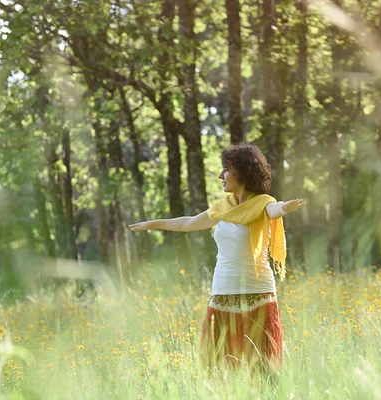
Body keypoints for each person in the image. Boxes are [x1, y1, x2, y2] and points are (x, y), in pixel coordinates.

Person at [128, 143, 306, 371]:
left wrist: (283, 208)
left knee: (262, 366)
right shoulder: (223, 208)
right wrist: (154, 223)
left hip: (257, 290)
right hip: (222, 289)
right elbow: (189, 223)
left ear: (241, 172)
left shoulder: (264, 203)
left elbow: (274, 210)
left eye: (226, 169)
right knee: (216, 364)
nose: (221, 175)